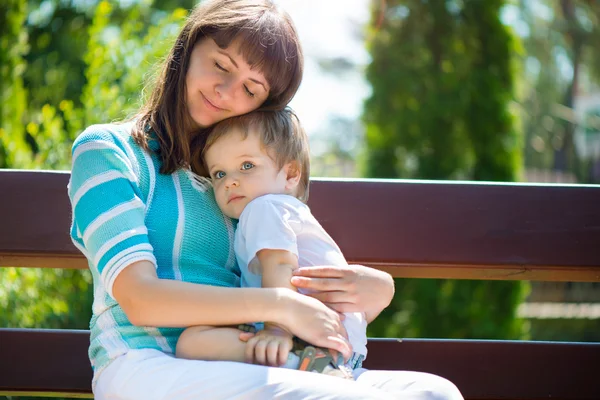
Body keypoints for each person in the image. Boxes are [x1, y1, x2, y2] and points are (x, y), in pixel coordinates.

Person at [67, 0, 464, 398]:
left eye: (251, 89)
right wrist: (279, 307)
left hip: (249, 356)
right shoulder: (110, 151)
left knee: (434, 393)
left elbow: (294, 278)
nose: (226, 92)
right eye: (221, 65)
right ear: (188, 50)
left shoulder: (246, 180)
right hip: (146, 363)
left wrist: (376, 292)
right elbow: (140, 299)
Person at [176, 109, 367, 379]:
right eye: (219, 174)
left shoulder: (264, 208)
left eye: (247, 166)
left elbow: (281, 264)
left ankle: (308, 369)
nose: (230, 181)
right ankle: (313, 368)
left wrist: (277, 329)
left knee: (193, 342)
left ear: (290, 174)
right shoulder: (284, 210)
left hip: (303, 333)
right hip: (343, 345)